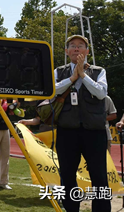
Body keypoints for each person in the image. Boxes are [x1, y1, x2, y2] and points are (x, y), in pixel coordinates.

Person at [54, 35, 109, 212]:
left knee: (99, 177)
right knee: (68, 176)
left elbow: (101, 93)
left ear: (87, 51)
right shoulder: (59, 71)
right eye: (72, 46)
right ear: (66, 51)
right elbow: (52, 91)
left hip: (94, 132)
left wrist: (82, 75)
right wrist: (71, 78)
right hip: (67, 131)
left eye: (80, 46)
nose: (76, 48)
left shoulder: (98, 71)